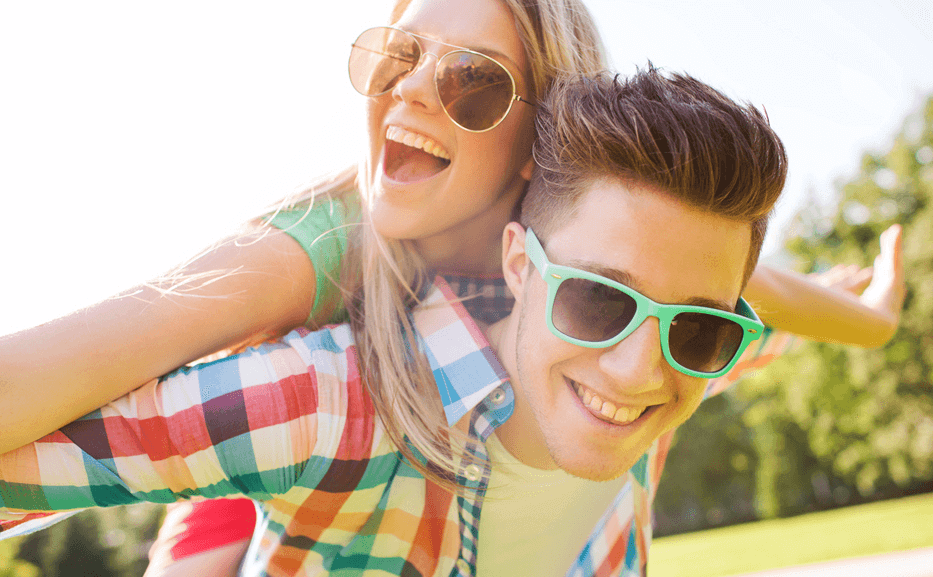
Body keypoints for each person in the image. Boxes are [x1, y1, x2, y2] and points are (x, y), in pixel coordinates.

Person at [0, 0, 904, 575]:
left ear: (543, 141)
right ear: (523, 256)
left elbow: (751, 300)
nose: (636, 365)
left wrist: (864, 313)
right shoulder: (317, 322)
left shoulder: (651, 304)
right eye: (398, 53)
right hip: (262, 465)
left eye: (475, 80)